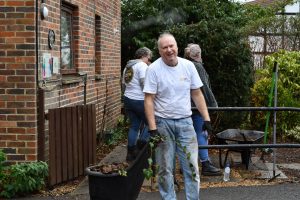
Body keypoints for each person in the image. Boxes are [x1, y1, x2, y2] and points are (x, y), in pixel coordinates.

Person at [143, 33, 212, 200]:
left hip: (185, 123)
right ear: (159, 51)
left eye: (171, 46)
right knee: (165, 169)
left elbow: (197, 94)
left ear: (177, 47)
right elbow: (149, 99)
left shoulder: (188, 66)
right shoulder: (153, 70)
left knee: (192, 167)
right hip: (162, 124)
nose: (169, 50)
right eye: (164, 47)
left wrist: (206, 118)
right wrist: (152, 128)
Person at [185, 44, 221, 176]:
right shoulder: (197, 66)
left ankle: (190, 164)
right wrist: (213, 105)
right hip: (197, 106)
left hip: (188, 105)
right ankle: (205, 164)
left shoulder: (185, 65)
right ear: (198, 54)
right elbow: (203, 87)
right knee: (202, 133)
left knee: (191, 135)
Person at [122, 47, 152, 161]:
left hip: (128, 99)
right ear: (144, 56)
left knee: (134, 125)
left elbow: (123, 84)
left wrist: (125, 97)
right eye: (149, 57)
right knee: (151, 121)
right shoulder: (142, 66)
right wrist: (150, 98)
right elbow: (145, 83)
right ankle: (141, 146)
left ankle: (130, 153)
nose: (149, 60)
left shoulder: (128, 67)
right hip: (139, 100)